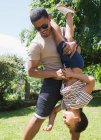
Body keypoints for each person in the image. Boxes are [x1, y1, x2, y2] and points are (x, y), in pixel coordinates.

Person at [23, 7, 78, 140]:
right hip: (51, 81)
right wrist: (54, 73)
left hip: (71, 77)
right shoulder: (36, 44)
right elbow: (31, 71)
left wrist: (74, 44)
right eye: (38, 28)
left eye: (44, 25)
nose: (42, 30)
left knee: (75, 118)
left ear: (49, 19)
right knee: (38, 118)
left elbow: (74, 47)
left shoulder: (61, 32)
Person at [43, 4, 95, 138]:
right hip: (74, 64)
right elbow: (91, 81)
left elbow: (53, 112)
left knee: (68, 38)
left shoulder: (67, 105)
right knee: (60, 40)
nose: (64, 122)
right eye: (68, 124)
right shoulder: (80, 102)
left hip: (69, 64)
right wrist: (72, 74)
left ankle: (68, 13)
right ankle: (46, 19)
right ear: (78, 119)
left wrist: (50, 123)